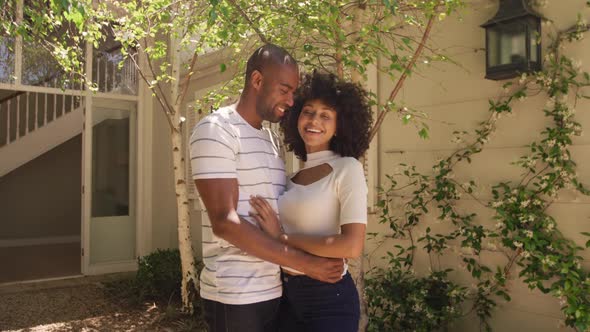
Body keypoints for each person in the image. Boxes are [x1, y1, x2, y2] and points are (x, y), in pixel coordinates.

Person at [190, 45, 345, 332]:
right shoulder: (216, 130)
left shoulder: (270, 139)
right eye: (284, 89)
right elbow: (225, 223)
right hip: (235, 297)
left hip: (277, 289)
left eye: (293, 92)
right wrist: (307, 263)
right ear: (257, 81)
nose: (290, 100)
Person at [249, 71, 373, 332]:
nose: (314, 120)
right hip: (286, 295)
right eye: (308, 111)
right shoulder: (290, 178)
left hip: (330, 299)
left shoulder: (347, 168)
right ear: (296, 117)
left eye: (326, 115)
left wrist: (281, 238)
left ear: (340, 124)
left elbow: (351, 245)